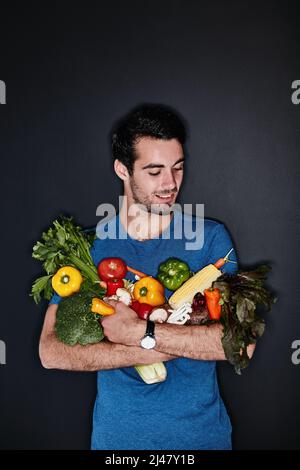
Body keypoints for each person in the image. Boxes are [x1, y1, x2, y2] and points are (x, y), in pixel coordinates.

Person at [39, 103, 255, 450]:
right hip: (117, 443)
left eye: (178, 168)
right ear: (122, 169)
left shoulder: (211, 240)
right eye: (154, 172)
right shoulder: (89, 248)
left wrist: (143, 332)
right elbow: (50, 351)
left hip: (201, 441)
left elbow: (242, 344)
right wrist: (143, 351)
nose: (170, 184)